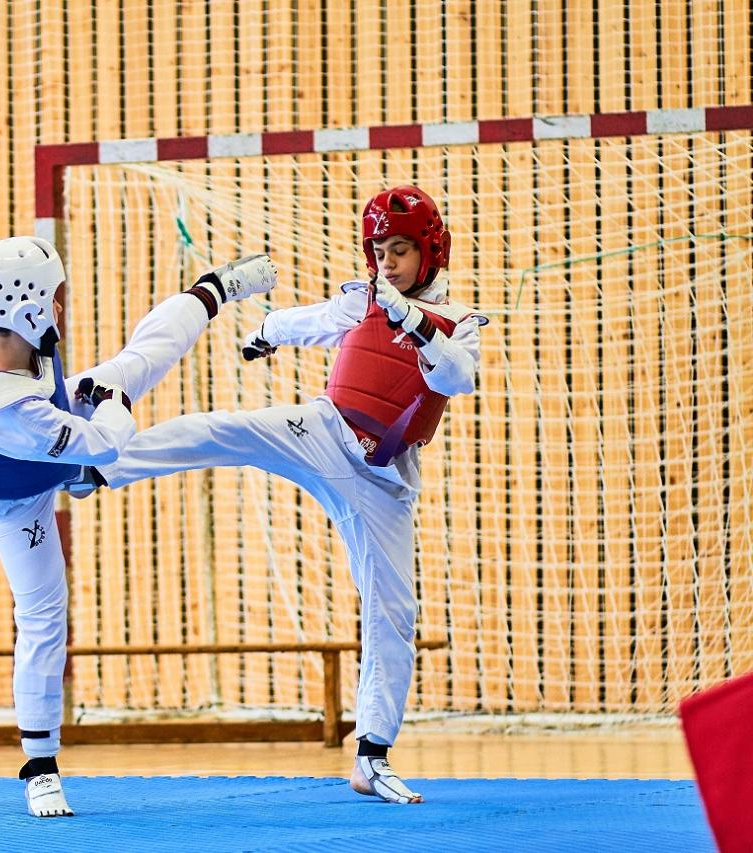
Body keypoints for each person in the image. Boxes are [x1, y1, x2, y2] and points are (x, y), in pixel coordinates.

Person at [72, 186, 487, 804]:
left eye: (399, 250)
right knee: (221, 430)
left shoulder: (459, 324)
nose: (386, 264)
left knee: (392, 613)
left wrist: (416, 324)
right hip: (322, 432)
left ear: (430, 252)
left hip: (381, 476)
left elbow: (457, 375)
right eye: (378, 252)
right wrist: (267, 330)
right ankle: (96, 467)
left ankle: (371, 756)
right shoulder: (363, 301)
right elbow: (313, 320)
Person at [0, 236, 275, 817]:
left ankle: (218, 288)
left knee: (137, 362)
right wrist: (108, 400)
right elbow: (105, 444)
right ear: (30, 307)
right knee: (41, 613)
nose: (62, 304)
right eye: (55, 295)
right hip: (20, 496)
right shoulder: (8, 406)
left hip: (54, 437)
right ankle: (39, 766)